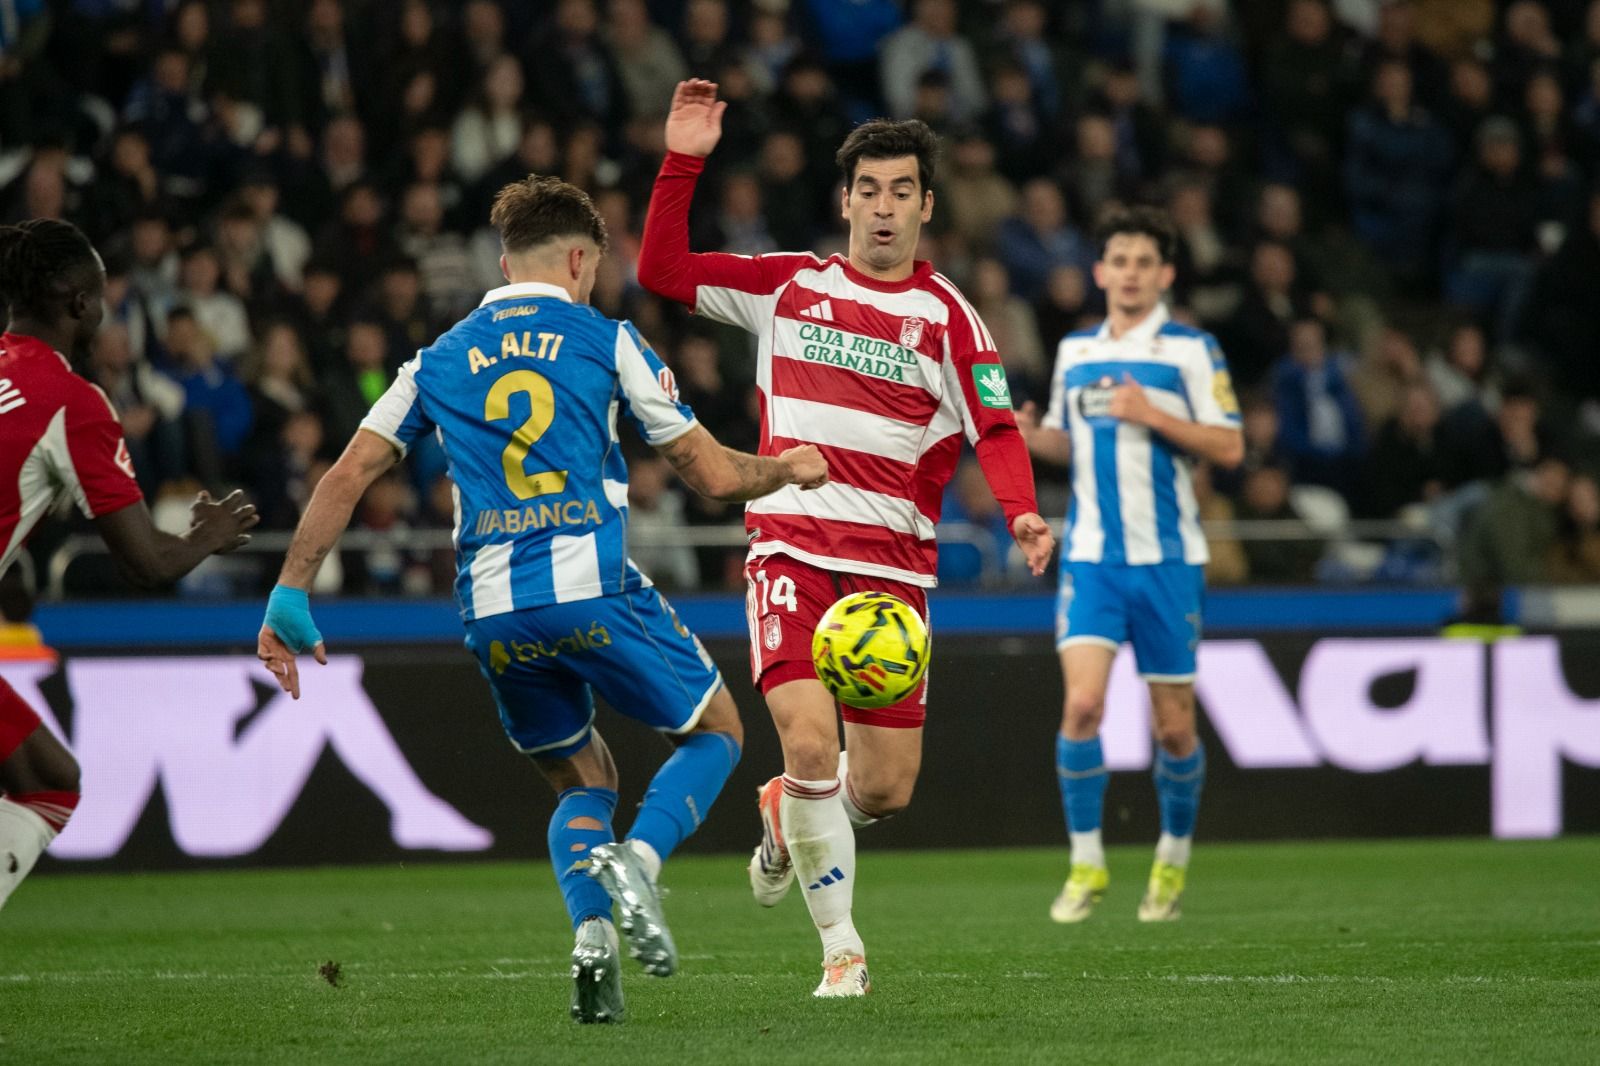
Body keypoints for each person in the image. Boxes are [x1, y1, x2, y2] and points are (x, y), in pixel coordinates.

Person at [254, 176, 827, 1024]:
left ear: (502, 264)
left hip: (491, 611)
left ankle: (592, 939)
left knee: (582, 779)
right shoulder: (606, 338)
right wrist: (787, 468)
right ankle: (639, 861)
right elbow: (709, 474)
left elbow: (347, 474)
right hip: (589, 586)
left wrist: (289, 593)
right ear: (579, 259)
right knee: (717, 733)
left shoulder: (437, 358)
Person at [637, 79, 1054, 997]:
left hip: (890, 578)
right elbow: (663, 271)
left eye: (901, 191)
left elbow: (994, 425)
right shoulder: (789, 286)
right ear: (846, 201)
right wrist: (682, 163)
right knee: (809, 745)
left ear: (927, 206)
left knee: (885, 790)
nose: (884, 207)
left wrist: (1020, 509)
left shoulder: (950, 318)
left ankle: (784, 815)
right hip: (790, 552)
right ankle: (842, 952)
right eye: (869, 190)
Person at [0, 218, 258, 914]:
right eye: (103, 295)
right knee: (46, 782)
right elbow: (147, 562)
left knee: (45, 775)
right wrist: (207, 535)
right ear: (80, 303)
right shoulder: (71, 402)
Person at [1017, 206, 1244, 924]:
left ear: (1166, 274)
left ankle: (1171, 861)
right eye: (1119, 260)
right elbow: (1068, 440)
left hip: (1169, 562)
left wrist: (1155, 416)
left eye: (1145, 262)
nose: (1131, 273)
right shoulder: (1077, 349)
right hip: (1092, 559)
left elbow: (1230, 445)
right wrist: (1030, 438)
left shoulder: (1193, 350)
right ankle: (1086, 863)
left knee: (1173, 729)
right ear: (1099, 271)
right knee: (1082, 707)